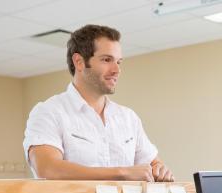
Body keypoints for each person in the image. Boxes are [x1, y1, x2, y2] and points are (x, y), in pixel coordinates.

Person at [23, 24, 173, 182]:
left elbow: (154, 164)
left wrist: (160, 170)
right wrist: (121, 173)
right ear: (79, 62)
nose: (116, 70)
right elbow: (48, 169)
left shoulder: (128, 118)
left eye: (119, 62)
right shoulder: (49, 112)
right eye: (107, 60)